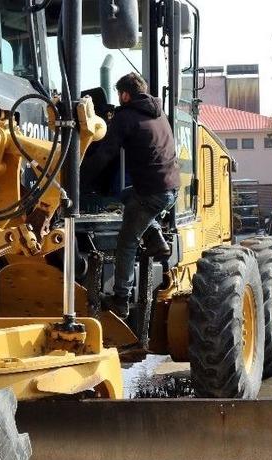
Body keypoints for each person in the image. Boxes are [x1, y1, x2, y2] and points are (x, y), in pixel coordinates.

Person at [89, 72, 180, 318]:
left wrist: (79, 178)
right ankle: (156, 237)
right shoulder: (159, 112)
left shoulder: (125, 116)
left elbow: (106, 152)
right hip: (171, 189)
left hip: (151, 193)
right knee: (124, 196)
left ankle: (121, 299)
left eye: (120, 95)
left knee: (127, 242)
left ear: (125, 94)